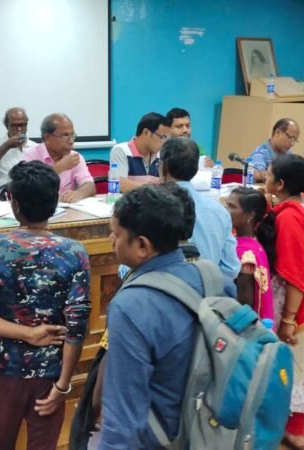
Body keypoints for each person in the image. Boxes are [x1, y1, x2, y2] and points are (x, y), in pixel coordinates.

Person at [0, 161, 91, 449]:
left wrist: (26, 334)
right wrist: (63, 386)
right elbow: (77, 326)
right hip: (52, 373)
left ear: (13, 202)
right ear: (55, 202)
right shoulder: (75, 252)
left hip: (6, 369)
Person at [98, 183, 207, 448]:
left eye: (116, 234)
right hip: (206, 427)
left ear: (142, 245)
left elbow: (123, 414)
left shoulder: (130, 306)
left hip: (160, 437)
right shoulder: (211, 277)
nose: (111, 240)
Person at [265, 154, 304, 450]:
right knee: (302, 360)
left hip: (294, 293)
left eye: (268, 175)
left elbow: (293, 272)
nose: (265, 179)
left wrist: (289, 318)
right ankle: (295, 428)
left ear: (280, 184)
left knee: (288, 357)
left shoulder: (288, 217)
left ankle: (280, 427)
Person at [159, 137, 241, 281]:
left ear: (163, 166)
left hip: (161, 290)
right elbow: (231, 268)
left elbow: (132, 268)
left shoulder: (151, 206)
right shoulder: (219, 211)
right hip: (208, 291)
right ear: (196, 168)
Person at [226, 187, 275, 321]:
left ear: (250, 215)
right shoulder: (253, 242)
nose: (226, 211)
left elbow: (244, 303)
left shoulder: (245, 254)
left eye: (232, 207)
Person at [22, 113, 95, 203]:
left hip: (67, 209)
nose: (71, 141)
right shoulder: (31, 155)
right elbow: (27, 188)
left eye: (72, 135)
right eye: (65, 135)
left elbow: (90, 185)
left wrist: (78, 193)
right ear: (47, 138)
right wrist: (59, 168)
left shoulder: (75, 157)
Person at [0, 107, 37, 188]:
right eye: (15, 125)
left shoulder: (35, 147)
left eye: (23, 125)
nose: (19, 129)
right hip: (5, 192)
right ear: (7, 126)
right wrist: (7, 145)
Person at [108, 112, 167, 192]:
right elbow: (119, 184)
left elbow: (168, 185)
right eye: (161, 137)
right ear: (146, 132)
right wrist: (153, 188)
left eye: (165, 138)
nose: (163, 142)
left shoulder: (160, 155)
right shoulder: (121, 151)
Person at [249, 118, 299, 182]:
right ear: (277, 133)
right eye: (290, 138)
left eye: (294, 140)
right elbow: (258, 174)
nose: (292, 144)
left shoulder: (289, 153)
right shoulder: (261, 152)